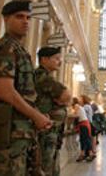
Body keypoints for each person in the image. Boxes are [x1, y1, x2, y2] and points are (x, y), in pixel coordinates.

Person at [0, 0, 52, 176]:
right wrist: (36, 116)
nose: (26, 21)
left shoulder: (19, 49)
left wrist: (39, 115)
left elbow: (24, 93)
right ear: (6, 19)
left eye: (28, 17)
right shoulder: (5, 49)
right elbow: (5, 91)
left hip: (21, 133)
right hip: (8, 134)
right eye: (19, 17)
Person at [35, 46, 71, 176]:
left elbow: (66, 98)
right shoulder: (41, 76)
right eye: (56, 59)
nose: (59, 62)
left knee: (52, 166)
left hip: (52, 131)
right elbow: (66, 96)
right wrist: (63, 99)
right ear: (44, 59)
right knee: (46, 167)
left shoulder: (48, 77)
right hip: (45, 131)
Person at [72, 97, 95, 162]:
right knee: (83, 139)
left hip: (84, 124)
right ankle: (82, 154)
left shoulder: (76, 105)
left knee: (86, 139)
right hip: (83, 124)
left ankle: (90, 154)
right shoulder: (80, 106)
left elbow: (75, 115)